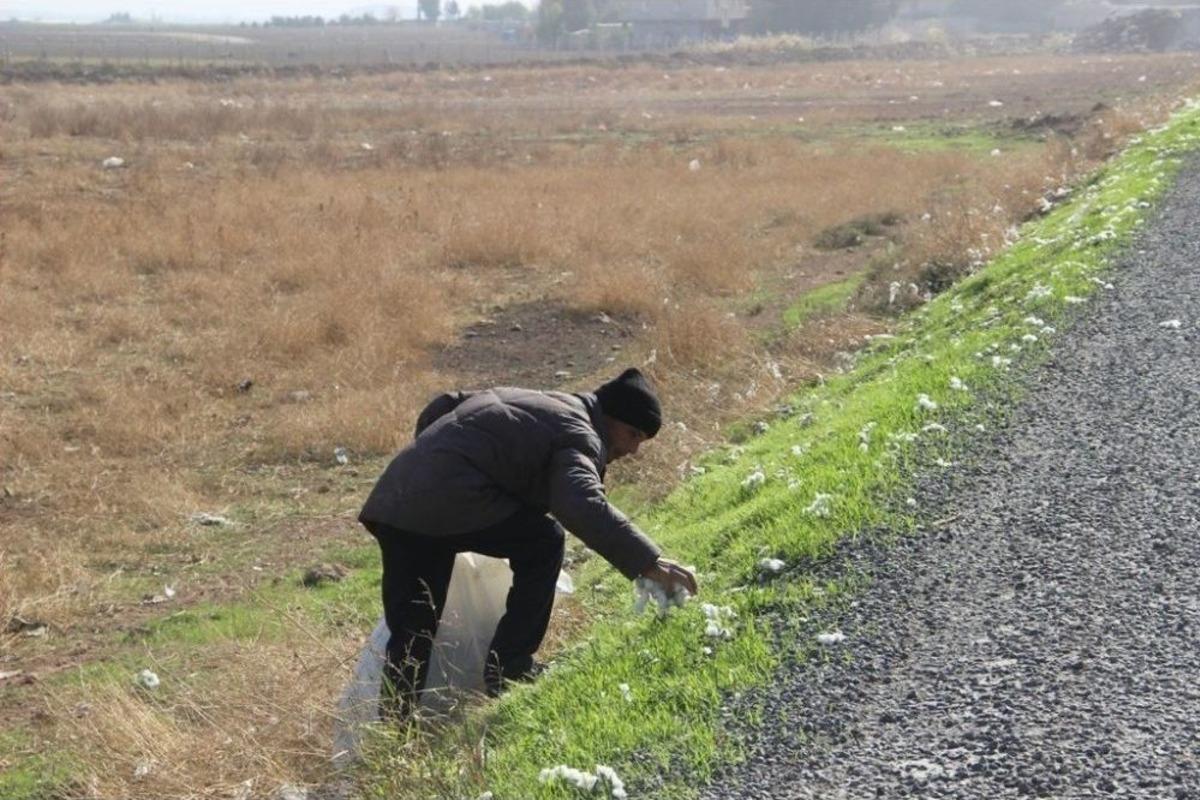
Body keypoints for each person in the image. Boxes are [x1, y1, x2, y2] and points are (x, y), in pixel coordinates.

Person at [358, 367, 698, 717]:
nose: (632, 449)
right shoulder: (580, 433)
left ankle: (395, 731)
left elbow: (445, 405)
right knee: (543, 542)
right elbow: (578, 503)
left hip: (395, 504)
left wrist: (433, 466)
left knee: (414, 628)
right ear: (610, 418)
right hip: (443, 503)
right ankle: (509, 669)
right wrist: (648, 563)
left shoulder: (539, 399)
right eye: (633, 434)